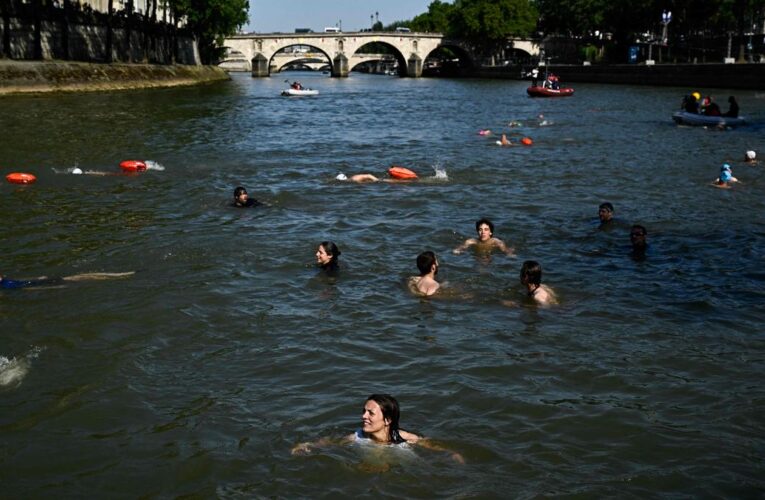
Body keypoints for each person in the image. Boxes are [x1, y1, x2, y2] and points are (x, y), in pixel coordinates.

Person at [291, 394, 464, 463]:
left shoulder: (404, 438)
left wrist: (452, 454)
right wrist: (309, 445)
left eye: (370, 413)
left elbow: (431, 445)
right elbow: (331, 442)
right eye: (363, 411)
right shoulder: (358, 437)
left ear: (387, 420)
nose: (363, 416)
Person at [1, 271, 134, 289]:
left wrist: (52, 287)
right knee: (77, 277)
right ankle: (119, 275)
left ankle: (118, 275)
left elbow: (28, 287)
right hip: (41, 281)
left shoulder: (6, 285)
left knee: (77, 279)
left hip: (43, 283)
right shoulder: (6, 282)